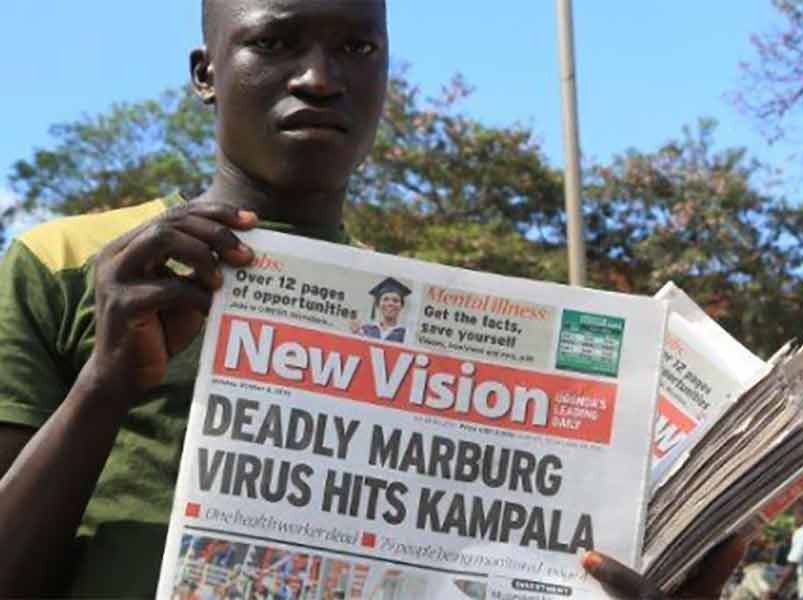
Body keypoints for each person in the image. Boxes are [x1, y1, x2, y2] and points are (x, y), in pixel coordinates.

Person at [0, 0, 750, 597]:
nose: (320, 78)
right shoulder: (74, 263)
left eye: (357, 48)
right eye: (276, 42)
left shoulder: (436, 322)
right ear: (206, 73)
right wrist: (106, 381)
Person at [351, 277, 411, 342]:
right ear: (377, 304)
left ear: (401, 306)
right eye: (385, 299)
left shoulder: (406, 334)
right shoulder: (364, 330)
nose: (390, 304)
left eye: (395, 300)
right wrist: (355, 335)